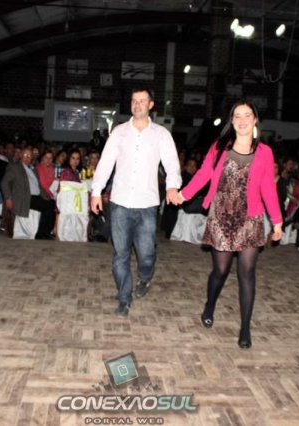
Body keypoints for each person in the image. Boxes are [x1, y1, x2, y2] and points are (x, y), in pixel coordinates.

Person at [172, 99, 282, 349]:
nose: (242, 120)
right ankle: (210, 305)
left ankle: (245, 328)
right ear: (232, 121)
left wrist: (276, 221)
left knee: (247, 273)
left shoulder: (264, 152)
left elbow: (268, 187)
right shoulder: (220, 146)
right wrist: (184, 194)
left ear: (255, 120)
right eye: (237, 116)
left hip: (251, 218)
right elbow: (204, 174)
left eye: (247, 115)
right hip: (221, 216)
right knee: (220, 271)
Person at [91, 87, 182, 317]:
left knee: (146, 254)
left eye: (142, 101)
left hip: (147, 205)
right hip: (120, 203)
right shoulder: (119, 132)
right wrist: (96, 191)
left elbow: (172, 164)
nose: (137, 104)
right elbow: (105, 162)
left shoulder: (161, 134)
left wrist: (172, 186)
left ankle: (145, 277)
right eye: (134, 101)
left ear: (151, 105)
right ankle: (124, 298)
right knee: (120, 254)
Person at [0, 147, 56, 239]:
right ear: (21, 155)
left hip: (36, 196)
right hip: (24, 197)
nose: (27, 157)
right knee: (47, 206)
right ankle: (41, 234)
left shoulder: (33, 170)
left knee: (52, 203)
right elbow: (4, 182)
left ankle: (46, 232)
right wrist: (8, 198)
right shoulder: (14, 167)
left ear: (32, 159)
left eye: (29, 156)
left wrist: (47, 195)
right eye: (25, 155)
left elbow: (39, 186)